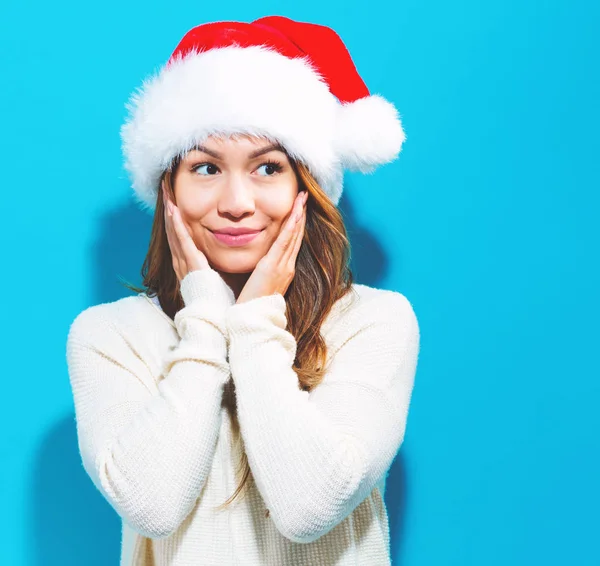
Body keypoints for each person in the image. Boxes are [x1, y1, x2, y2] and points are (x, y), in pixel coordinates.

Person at [66, 15, 421, 566]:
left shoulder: (373, 322)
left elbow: (309, 507)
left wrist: (254, 321)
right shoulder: (109, 336)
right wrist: (206, 316)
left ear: (307, 186)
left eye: (267, 168)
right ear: (169, 192)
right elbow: (152, 506)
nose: (236, 202)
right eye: (205, 168)